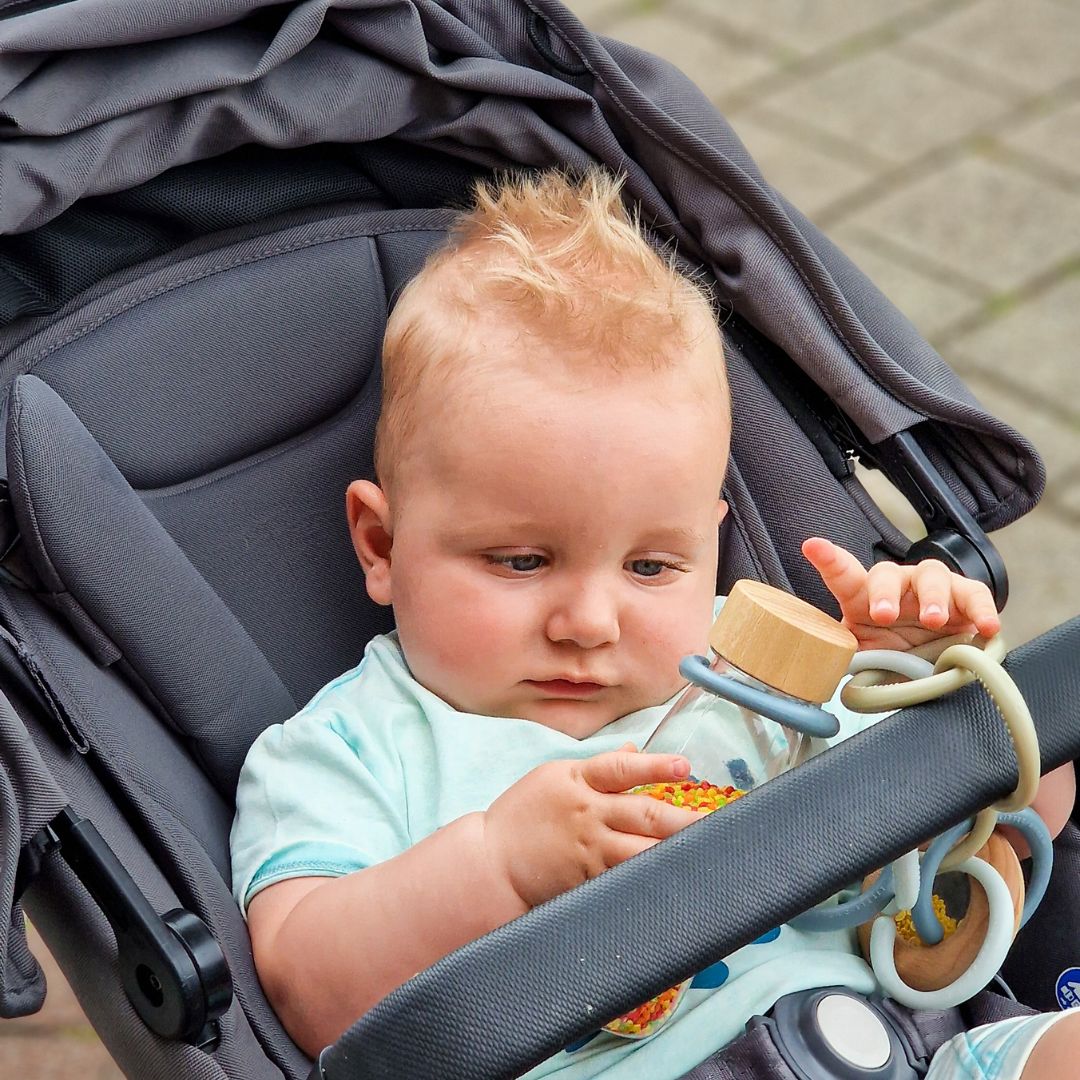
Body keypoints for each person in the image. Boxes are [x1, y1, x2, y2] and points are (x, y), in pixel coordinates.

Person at [230, 168, 1078, 1077]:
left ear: (712, 543)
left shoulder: (767, 668)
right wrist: (497, 868)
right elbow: (309, 996)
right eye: (520, 562)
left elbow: (1037, 817)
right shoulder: (352, 747)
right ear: (381, 544)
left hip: (923, 1047)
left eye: (649, 567)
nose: (590, 622)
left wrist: (950, 686)